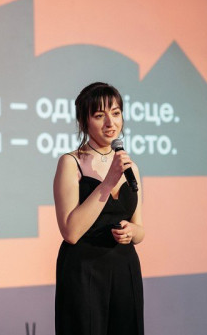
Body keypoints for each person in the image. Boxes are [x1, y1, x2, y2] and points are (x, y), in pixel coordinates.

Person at [54, 82, 144, 335]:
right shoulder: (71, 163)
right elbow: (71, 232)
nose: (110, 123)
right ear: (84, 122)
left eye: (116, 113)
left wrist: (132, 232)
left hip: (124, 269)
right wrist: (108, 182)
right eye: (99, 115)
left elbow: (140, 230)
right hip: (84, 271)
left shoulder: (130, 167)